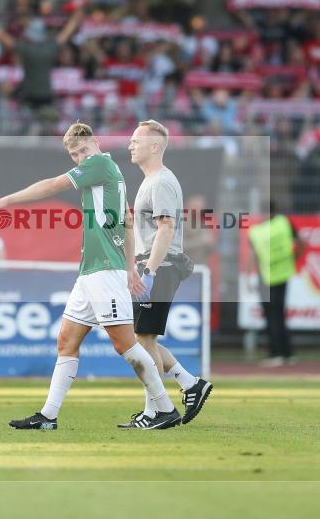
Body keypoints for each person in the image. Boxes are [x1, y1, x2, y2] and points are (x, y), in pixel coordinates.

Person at [0, 122, 181, 430]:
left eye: (83, 150)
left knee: (126, 345)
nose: (80, 158)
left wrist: (5, 200)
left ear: (96, 143)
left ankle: (165, 409)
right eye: (74, 155)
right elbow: (127, 225)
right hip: (92, 272)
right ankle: (48, 416)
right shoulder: (108, 172)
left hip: (104, 272)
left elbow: (53, 184)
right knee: (67, 340)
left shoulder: (99, 164)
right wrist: (130, 267)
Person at [123, 120, 213, 427]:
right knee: (143, 339)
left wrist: (148, 271)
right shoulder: (153, 180)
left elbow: (166, 227)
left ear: (154, 147)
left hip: (158, 267)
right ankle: (187, 385)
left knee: (142, 340)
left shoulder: (160, 181)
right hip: (154, 265)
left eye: (136, 140)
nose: (130, 145)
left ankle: (160, 409)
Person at [247, 201, 304, 367]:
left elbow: (252, 256)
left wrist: (249, 277)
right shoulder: (284, 223)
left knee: (271, 316)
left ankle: (276, 353)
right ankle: (288, 353)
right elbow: (301, 242)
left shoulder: (257, 231)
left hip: (266, 277)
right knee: (279, 314)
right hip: (283, 273)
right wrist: (293, 259)